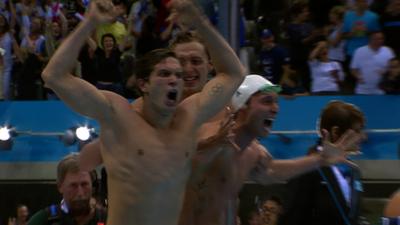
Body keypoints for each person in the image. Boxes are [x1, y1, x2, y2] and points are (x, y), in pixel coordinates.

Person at [42, 1, 245, 225]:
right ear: (143, 84)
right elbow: (53, 76)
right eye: (165, 74)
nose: (175, 80)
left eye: (177, 75)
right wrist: (89, 23)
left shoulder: (190, 115)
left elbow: (234, 73)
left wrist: (200, 22)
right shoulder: (118, 116)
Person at [178, 75, 364, 225]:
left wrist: (320, 160)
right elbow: (177, 169)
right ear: (242, 105)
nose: (275, 109)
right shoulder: (210, 134)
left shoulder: (253, 152)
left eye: (276, 102)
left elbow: (271, 172)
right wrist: (211, 145)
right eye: (267, 101)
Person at [281, 100, 367, 225]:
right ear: (335, 132)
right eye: (357, 130)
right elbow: (291, 219)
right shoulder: (305, 169)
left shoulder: (354, 170)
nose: (363, 137)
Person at [27, 153, 106, 225]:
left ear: (92, 186)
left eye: (84, 184)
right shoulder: (44, 220)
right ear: (60, 187)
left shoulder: (108, 218)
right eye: (73, 186)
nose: (80, 193)